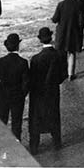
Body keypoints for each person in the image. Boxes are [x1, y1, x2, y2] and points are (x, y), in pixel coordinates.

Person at [28, 26, 68, 155]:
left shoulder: (35, 59)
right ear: (51, 38)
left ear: (40, 40)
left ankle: (34, 145)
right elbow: (64, 75)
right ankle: (57, 142)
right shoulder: (59, 55)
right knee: (54, 114)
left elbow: (31, 79)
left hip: (38, 92)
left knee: (36, 117)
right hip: (52, 90)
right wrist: (54, 82)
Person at [0, 32, 29, 140]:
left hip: (3, 96)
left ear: (7, 47)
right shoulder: (23, 62)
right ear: (18, 46)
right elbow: (26, 83)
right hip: (17, 97)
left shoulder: (0, 62)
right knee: (16, 123)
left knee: (2, 122)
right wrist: (22, 95)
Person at [52, 0, 84, 80]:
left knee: (62, 54)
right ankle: (71, 74)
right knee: (72, 53)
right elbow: (81, 22)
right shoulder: (78, 5)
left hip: (62, 32)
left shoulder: (61, 4)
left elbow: (55, 19)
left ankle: (63, 73)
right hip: (74, 32)